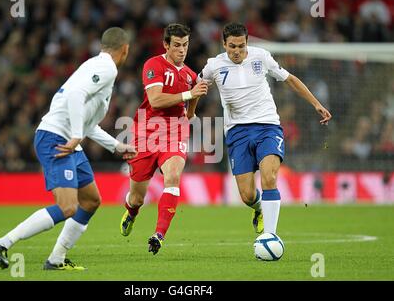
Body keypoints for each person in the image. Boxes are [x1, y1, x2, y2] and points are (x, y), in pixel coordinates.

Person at [0, 27, 137, 270]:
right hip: (56, 138)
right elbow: (75, 95)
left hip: (67, 142)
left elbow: (89, 124)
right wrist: (76, 136)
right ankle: (1, 243)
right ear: (125, 50)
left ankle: (56, 259)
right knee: (68, 207)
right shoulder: (106, 68)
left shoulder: (95, 66)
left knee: (91, 200)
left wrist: (116, 146)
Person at [196, 22, 331, 235]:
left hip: (267, 126)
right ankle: (258, 209)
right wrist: (189, 112)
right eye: (232, 46)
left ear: (247, 43)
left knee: (269, 177)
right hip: (237, 132)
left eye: (241, 46)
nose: (237, 51)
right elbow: (197, 87)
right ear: (223, 44)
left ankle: (270, 236)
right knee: (247, 195)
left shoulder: (261, 56)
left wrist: (316, 104)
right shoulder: (213, 65)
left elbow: (290, 80)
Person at [119, 23, 208, 254]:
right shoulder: (153, 65)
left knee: (173, 176)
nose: (182, 50)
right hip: (146, 134)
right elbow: (156, 100)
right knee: (137, 197)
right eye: (177, 45)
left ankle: (159, 235)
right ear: (166, 45)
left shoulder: (190, 75)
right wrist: (190, 94)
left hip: (175, 132)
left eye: (185, 45)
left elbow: (196, 91)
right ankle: (131, 211)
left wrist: (190, 110)